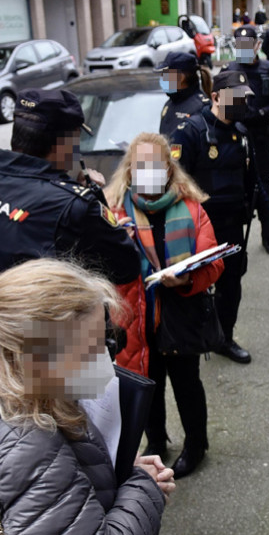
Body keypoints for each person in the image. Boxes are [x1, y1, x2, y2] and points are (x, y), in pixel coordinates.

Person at [0, 258, 173, 535]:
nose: (104, 356)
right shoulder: (28, 443)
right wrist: (143, 486)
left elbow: (56, 497)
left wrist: (122, 471)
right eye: (91, 346)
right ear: (42, 357)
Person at [104, 132, 224, 478]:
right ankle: (156, 442)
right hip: (134, 320)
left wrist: (187, 281)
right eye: (141, 165)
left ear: (170, 170)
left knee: (188, 386)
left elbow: (214, 263)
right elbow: (100, 269)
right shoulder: (114, 213)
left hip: (179, 316)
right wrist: (117, 244)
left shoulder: (190, 207)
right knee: (147, 387)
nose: (149, 171)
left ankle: (196, 445)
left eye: (156, 165)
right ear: (129, 170)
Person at [0, 88, 140, 290]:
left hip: (0, 314)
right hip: (57, 319)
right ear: (62, 143)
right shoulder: (74, 206)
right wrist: (93, 199)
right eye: (76, 138)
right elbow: (126, 267)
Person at [169, 70, 257, 365]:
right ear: (216, 97)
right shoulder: (190, 133)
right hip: (199, 230)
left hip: (232, 227)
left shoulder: (243, 135)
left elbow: (253, 183)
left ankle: (224, 339)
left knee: (231, 286)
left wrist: (267, 219)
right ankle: (193, 339)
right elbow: (178, 184)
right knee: (196, 286)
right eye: (236, 98)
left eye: (245, 98)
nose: (242, 103)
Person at [223, 25, 269, 254]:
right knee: (234, 188)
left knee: (263, 188)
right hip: (233, 138)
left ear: (257, 45)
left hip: (260, 137)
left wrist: (260, 114)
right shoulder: (228, 70)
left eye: (247, 46)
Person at [157, 52, 212, 137]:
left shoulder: (201, 107)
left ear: (181, 77)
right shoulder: (171, 102)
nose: (162, 77)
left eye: (165, 74)